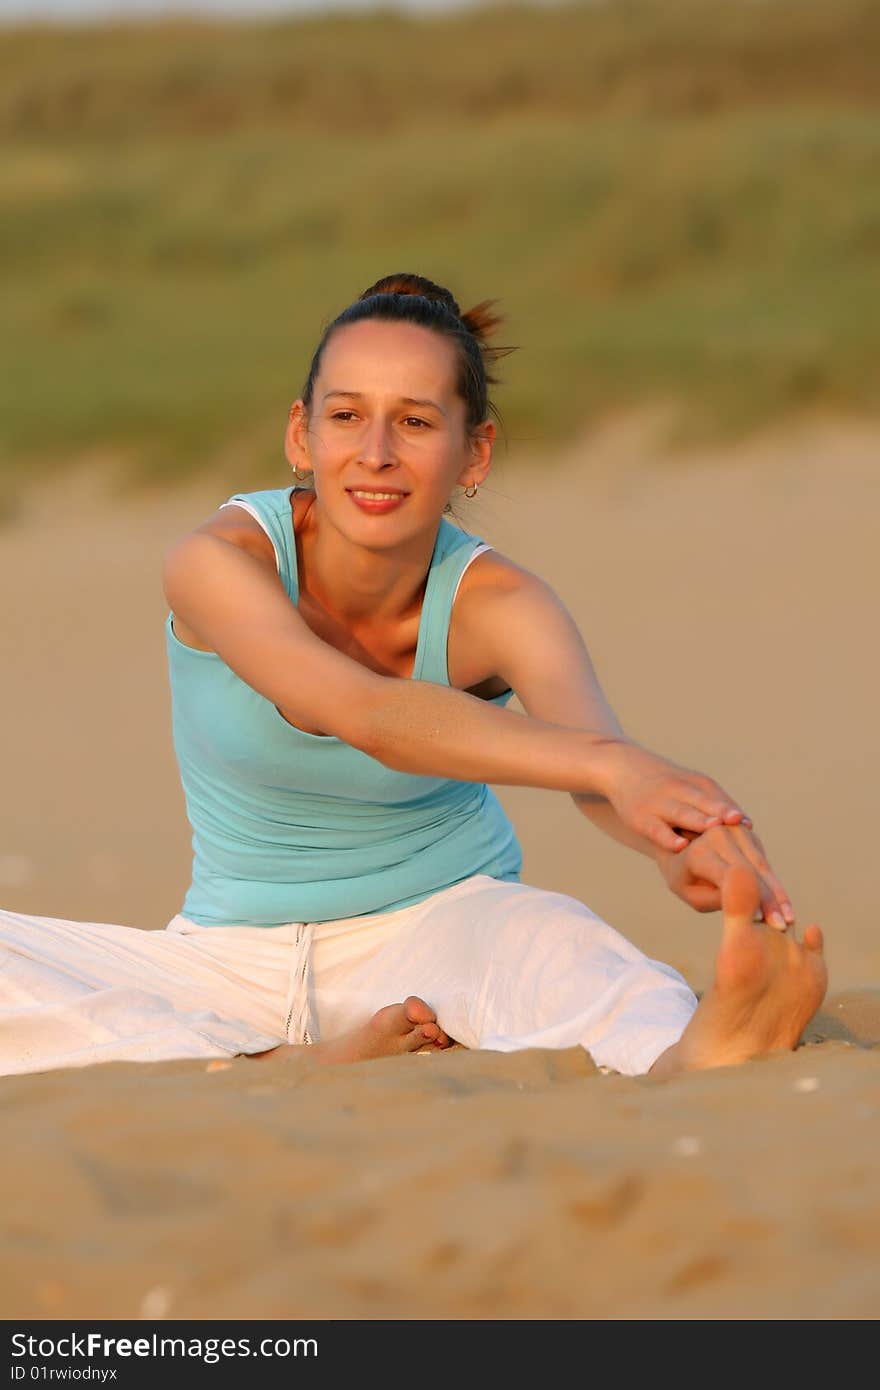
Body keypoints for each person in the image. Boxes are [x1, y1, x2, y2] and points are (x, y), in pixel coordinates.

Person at [0, 273, 826, 1079]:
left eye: (417, 422)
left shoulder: (504, 605)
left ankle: (689, 1049)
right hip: (221, 960)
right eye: (348, 415)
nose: (377, 453)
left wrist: (675, 845)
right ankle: (272, 1060)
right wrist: (618, 766)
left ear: (475, 451)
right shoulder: (218, 562)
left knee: (558, 947)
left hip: (438, 932)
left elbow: (594, 766)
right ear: (302, 434)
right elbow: (366, 713)